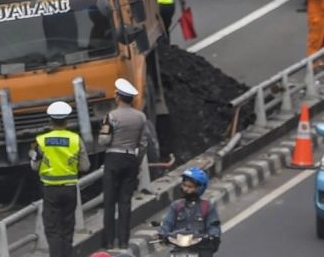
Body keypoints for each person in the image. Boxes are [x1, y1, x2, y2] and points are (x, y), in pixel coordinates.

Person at [30, 101, 91, 257]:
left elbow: (34, 166)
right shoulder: (75, 139)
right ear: (66, 120)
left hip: (50, 189)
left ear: (50, 120)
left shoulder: (41, 141)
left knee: (53, 229)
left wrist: (34, 154)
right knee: (68, 227)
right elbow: (85, 166)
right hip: (70, 189)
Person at [98, 78, 149, 251]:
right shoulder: (141, 117)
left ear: (118, 97)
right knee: (125, 202)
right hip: (131, 160)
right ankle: (124, 241)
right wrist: (138, 162)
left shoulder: (110, 117)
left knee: (110, 202)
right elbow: (143, 144)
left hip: (113, 159)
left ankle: (109, 242)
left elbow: (104, 139)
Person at [156, 167, 221, 257]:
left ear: (199, 188)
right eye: (184, 185)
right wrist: (162, 233)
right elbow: (167, 223)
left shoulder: (207, 207)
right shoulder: (176, 206)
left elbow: (214, 226)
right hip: (178, 250)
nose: (186, 189)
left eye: (190, 187)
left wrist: (213, 236)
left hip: (201, 249)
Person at [305, 0, 324, 65]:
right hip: (316, 17)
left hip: (323, 15)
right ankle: (313, 65)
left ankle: (321, 62)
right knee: (315, 42)